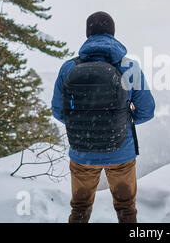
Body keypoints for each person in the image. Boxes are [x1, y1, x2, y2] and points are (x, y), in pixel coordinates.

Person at [51, 11, 155, 223]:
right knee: (126, 208)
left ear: (88, 34)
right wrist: (122, 120)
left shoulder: (69, 67)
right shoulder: (129, 67)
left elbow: (59, 112)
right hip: (121, 153)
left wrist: (83, 123)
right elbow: (146, 111)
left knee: (79, 209)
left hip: (82, 153)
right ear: (113, 33)